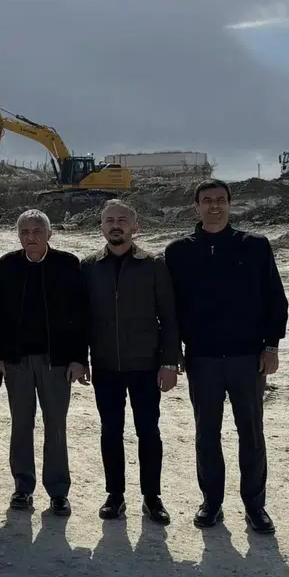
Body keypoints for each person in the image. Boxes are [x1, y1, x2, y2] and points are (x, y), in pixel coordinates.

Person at [164, 179, 288, 534]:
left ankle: (255, 506)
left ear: (231, 204)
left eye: (220, 200)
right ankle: (211, 502)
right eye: (207, 200)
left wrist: (271, 346)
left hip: (248, 358)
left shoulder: (255, 246)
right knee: (207, 434)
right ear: (196, 206)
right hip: (202, 359)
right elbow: (170, 310)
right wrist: (173, 354)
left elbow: (275, 299)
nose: (214, 206)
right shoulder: (178, 252)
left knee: (252, 434)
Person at [80, 200, 181, 525]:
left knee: (148, 432)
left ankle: (152, 498)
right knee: (110, 432)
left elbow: (169, 317)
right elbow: (80, 319)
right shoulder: (89, 266)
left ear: (135, 226)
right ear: (101, 226)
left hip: (145, 366)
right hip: (106, 365)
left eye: (122, 220)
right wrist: (81, 359)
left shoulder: (153, 265)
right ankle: (115, 495)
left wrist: (170, 363)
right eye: (109, 220)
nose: (115, 225)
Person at [0, 209, 88, 514]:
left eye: (37, 231)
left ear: (49, 234)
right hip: (17, 362)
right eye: (25, 232)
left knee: (55, 425)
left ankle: (58, 491)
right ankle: (23, 487)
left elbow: (80, 315)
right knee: (21, 425)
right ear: (18, 235)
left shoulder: (67, 264)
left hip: (56, 362)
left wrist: (78, 359)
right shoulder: (7, 265)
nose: (30, 237)